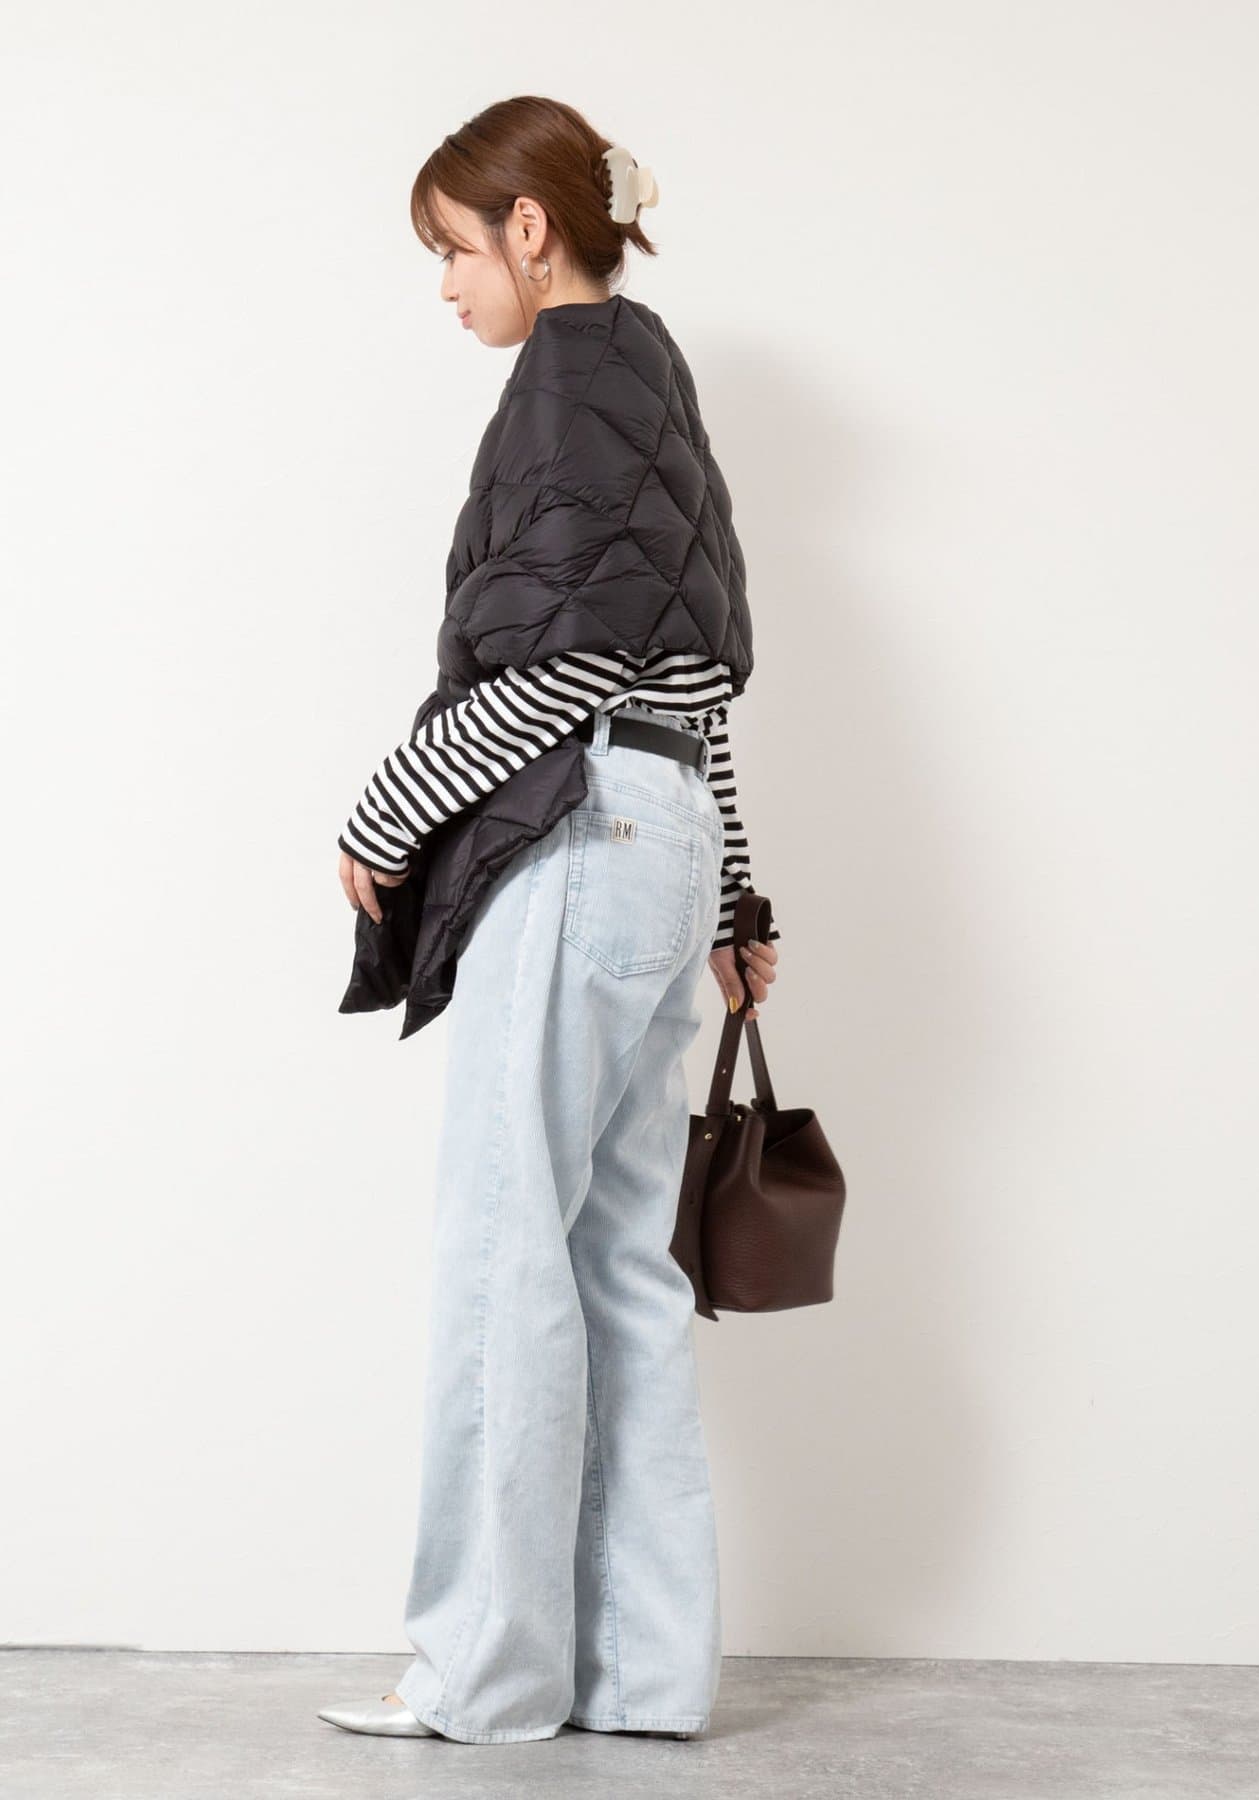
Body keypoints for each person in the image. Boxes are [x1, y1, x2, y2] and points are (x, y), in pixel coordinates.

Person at [317, 97, 779, 1746]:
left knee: (507, 1254)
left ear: (531, 229)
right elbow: (686, 680)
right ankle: (642, 1678)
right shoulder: (655, 379)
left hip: (583, 845)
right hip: (662, 840)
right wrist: (733, 890)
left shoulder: (570, 385)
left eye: (453, 248)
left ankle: (484, 1671)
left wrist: (387, 813)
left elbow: (572, 664)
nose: (447, 285)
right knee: (619, 1268)